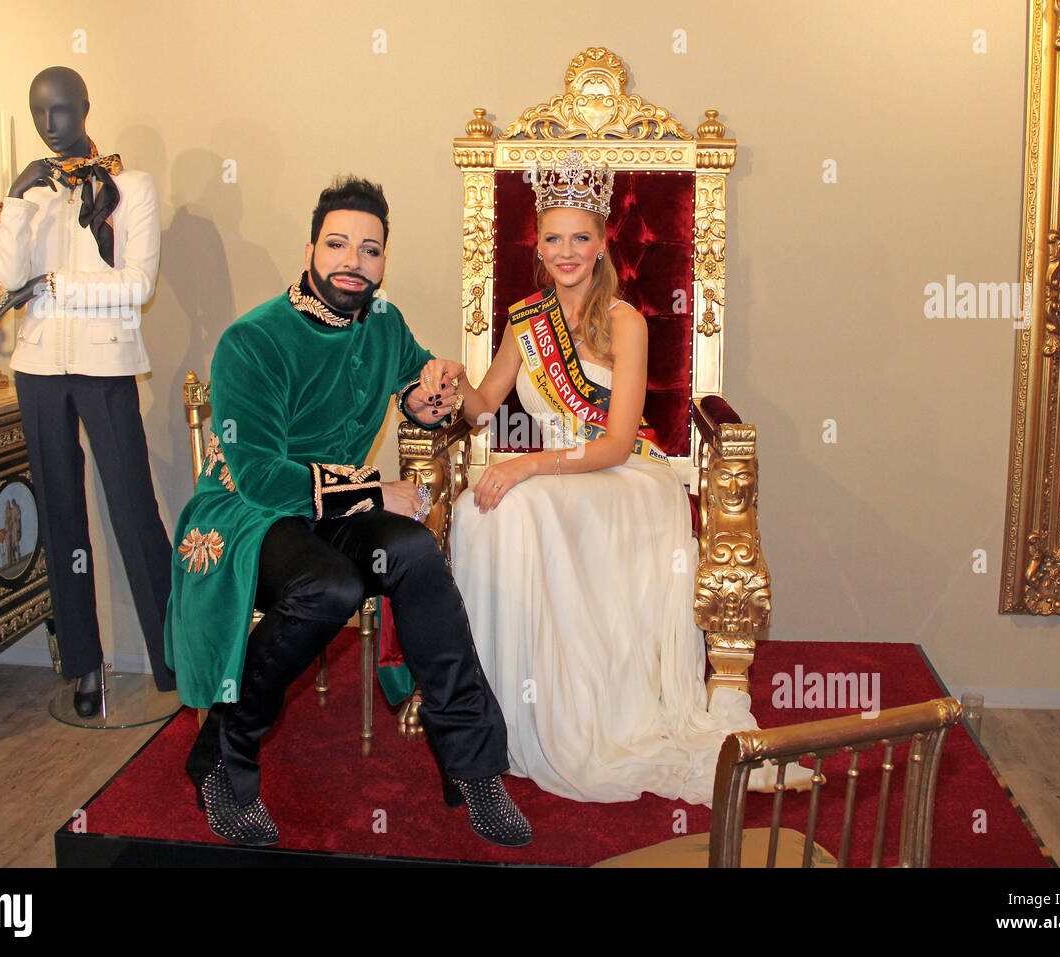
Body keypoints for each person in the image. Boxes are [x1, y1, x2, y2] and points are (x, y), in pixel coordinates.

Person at [164, 175, 531, 849]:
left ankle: (475, 766)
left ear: (384, 260)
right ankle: (223, 756)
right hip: (246, 511)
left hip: (331, 506)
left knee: (416, 553)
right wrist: (375, 493)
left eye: (370, 250)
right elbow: (263, 478)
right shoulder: (253, 340)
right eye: (337, 244)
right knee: (327, 585)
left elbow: (421, 392)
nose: (352, 262)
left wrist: (435, 389)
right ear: (309, 248)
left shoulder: (382, 322)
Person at [441, 152, 811, 804]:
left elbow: (614, 442)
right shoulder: (526, 322)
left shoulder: (625, 322)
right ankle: (498, 719)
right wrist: (447, 384)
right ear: (539, 243)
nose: (565, 251)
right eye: (552, 238)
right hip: (552, 477)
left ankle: (579, 717)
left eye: (579, 237)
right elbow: (481, 407)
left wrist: (526, 463)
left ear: (602, 241)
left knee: (522, 507)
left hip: (625, 477)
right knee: (477, 510)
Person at [0, 66, 174, 716]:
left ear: (86, 107)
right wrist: (16, 200)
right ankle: (84, 663)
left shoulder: (131, 187)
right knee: (62, 514)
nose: (50, 124)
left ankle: (169, 653)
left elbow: (139, 284)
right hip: (38, 367)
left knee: (131, 505)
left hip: (105, 361)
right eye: (40, 111)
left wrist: (62, 288)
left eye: (62, 110)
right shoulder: (32, 196)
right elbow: (8, 278)